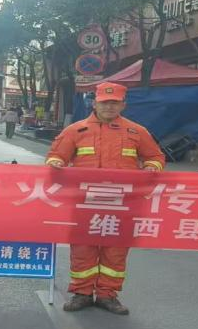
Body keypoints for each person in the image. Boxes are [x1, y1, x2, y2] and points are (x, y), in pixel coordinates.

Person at [46, 82, 165, 315]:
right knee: (83, 247)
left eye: (115, 103)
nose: (109, 107)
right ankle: (81, 293)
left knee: (116, 249)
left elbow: (155, 157)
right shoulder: (75, 131)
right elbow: (55, 156)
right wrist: (56, 163)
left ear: (123, 105)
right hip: (85, 202)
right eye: (104, 103)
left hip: (122, 203)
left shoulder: (137, 132)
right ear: (95, 103)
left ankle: (107, 295)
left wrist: (152, 167)